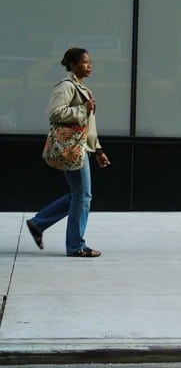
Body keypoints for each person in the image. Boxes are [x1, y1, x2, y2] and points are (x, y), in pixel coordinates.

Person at [26, 47, 111, 258]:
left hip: (81, 148)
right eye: (84, 62)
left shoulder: (84, 90)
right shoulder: (66, 87)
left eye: (90, 62)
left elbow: (88, 126)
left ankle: (38, 223)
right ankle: (75, 245)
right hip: (71, 148)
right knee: (82, 196)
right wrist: (83, 109)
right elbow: (54, 113)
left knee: (79, 195)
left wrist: (98, 150)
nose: (89, 66)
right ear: (72, 64)